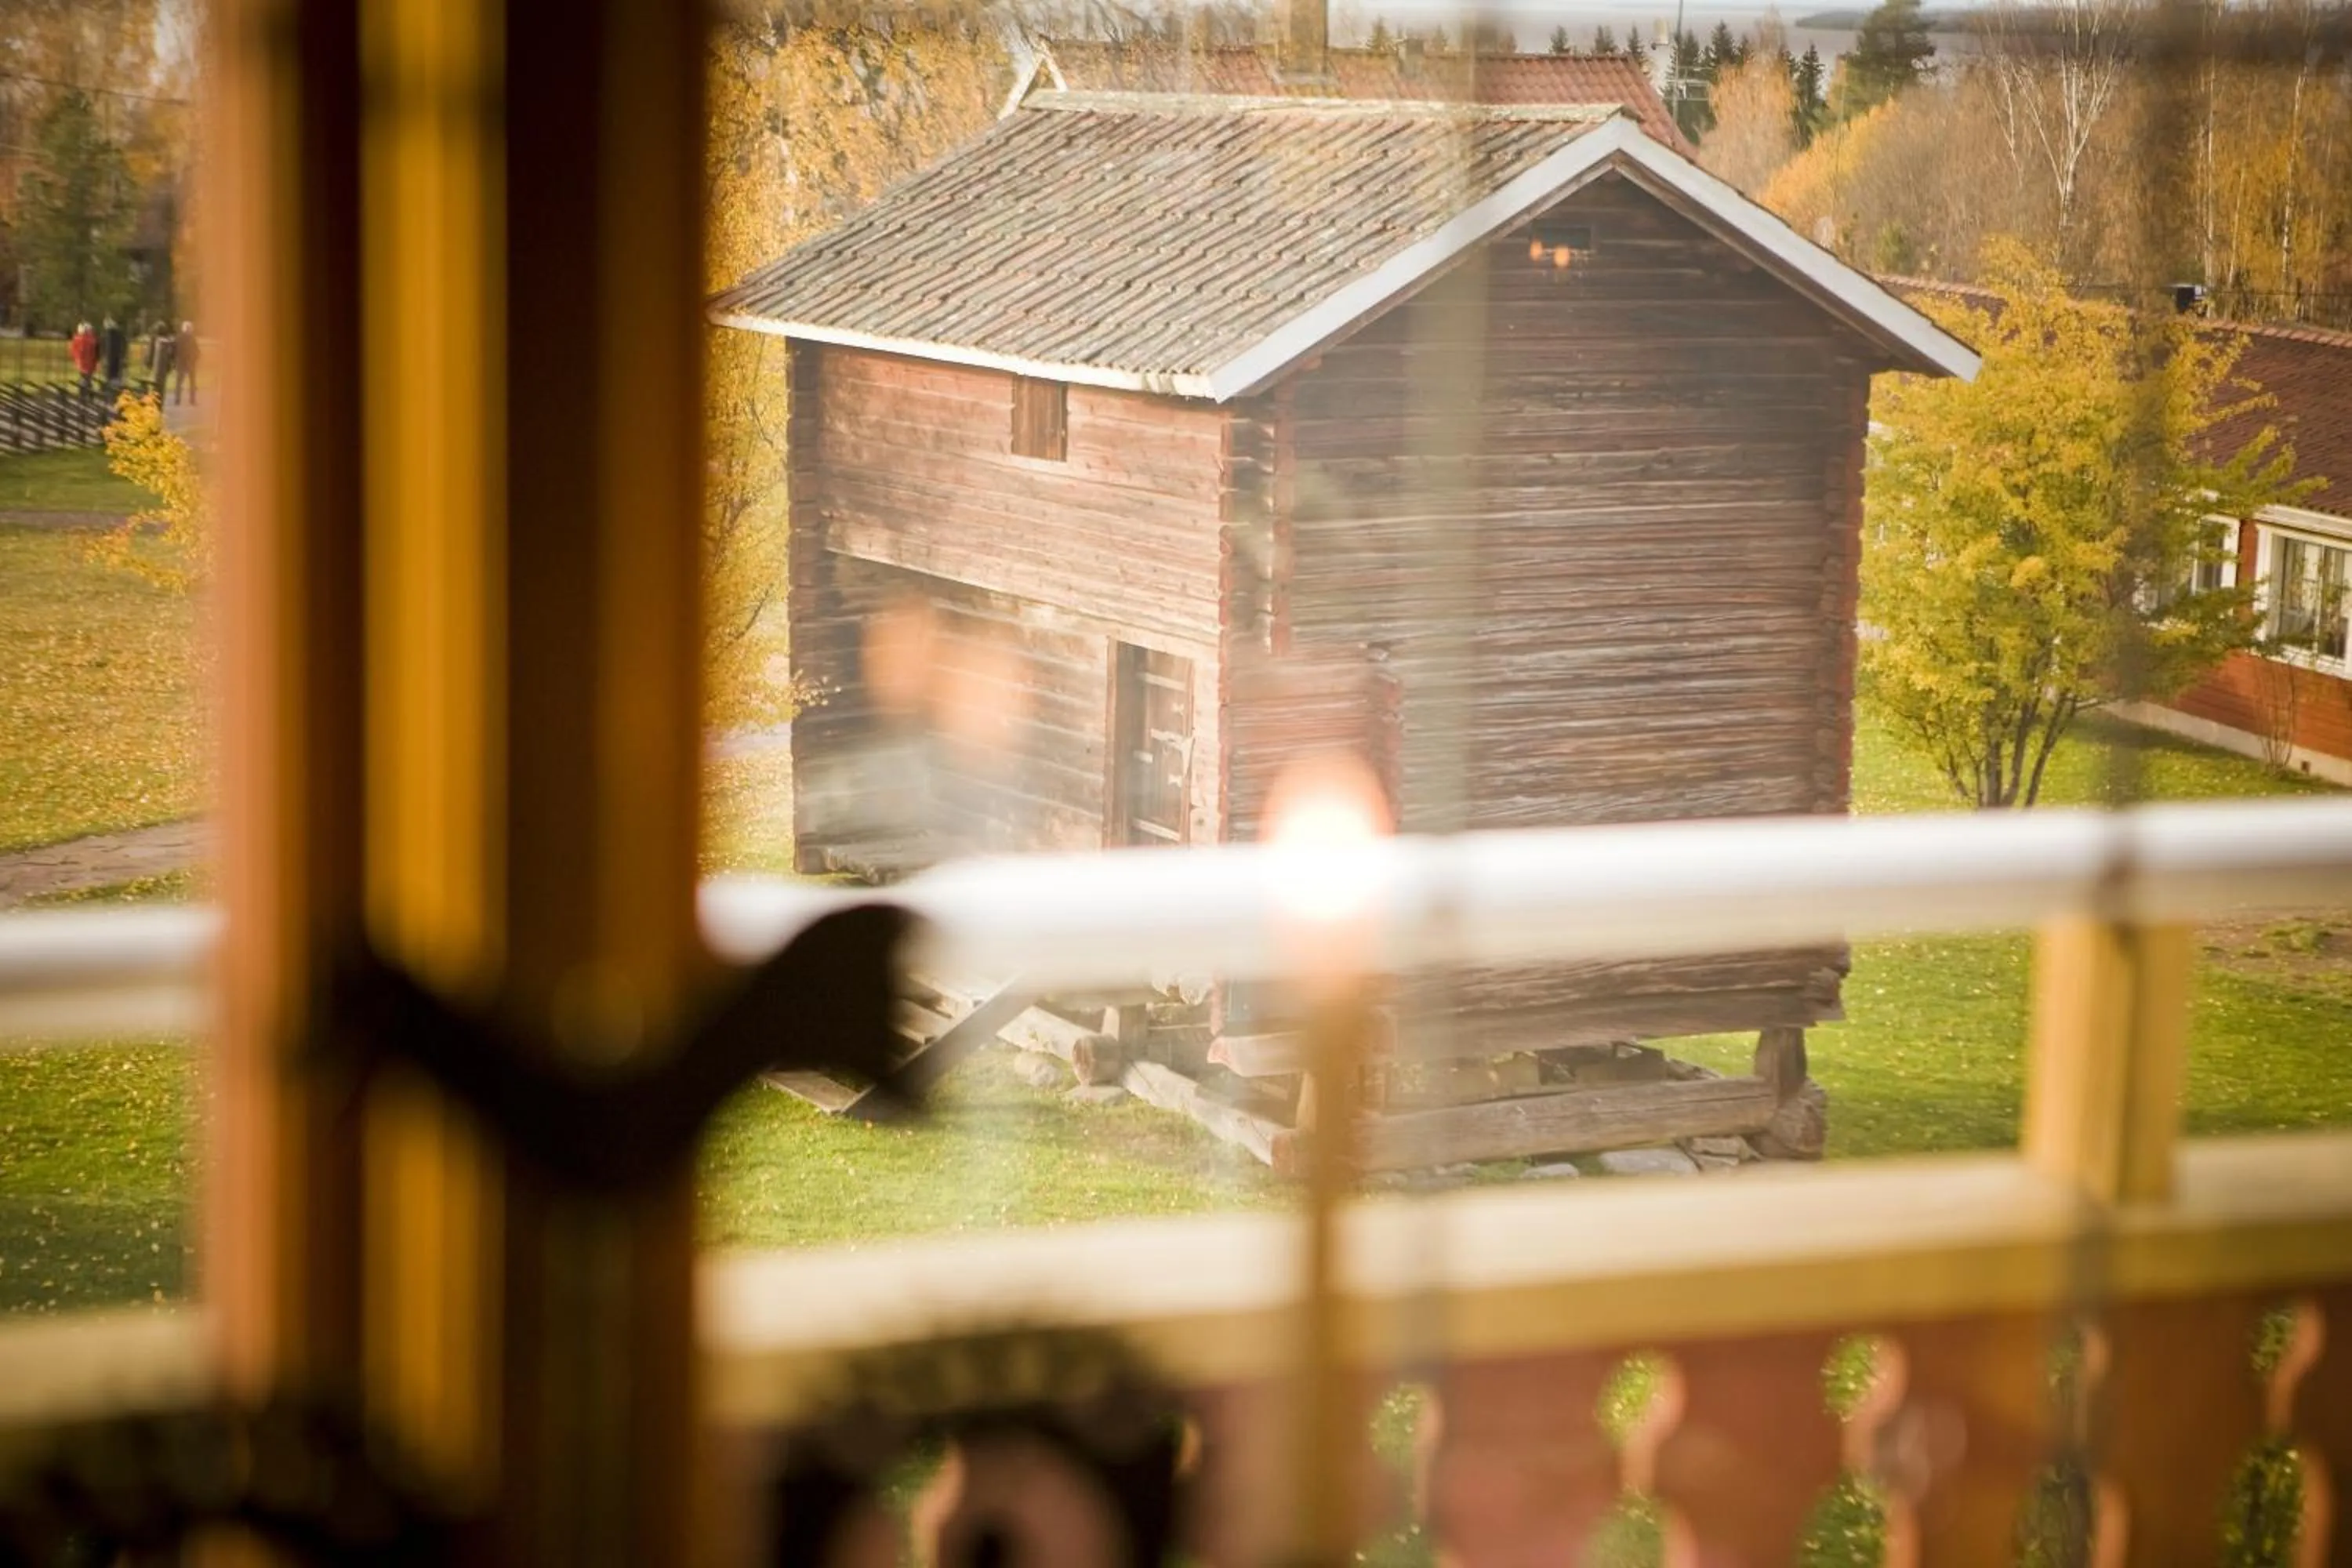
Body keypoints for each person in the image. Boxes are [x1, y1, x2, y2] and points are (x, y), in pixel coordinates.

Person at [172, 321, 198, 405]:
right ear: (183, 329)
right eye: (187, 328)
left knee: (191, 383)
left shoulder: (192, 338)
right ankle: (177, 399)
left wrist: (195, 358)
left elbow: (196, 350)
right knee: (180, 382)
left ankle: (192, 400)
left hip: (189, 362)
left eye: (190, 328)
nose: (188, 330)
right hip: (182, 362)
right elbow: (174, 350)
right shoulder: (179, 338)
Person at [69, 321, 98, 398]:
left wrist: (76, 359)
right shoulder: (91, 340)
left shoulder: (77, 339)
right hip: (89, 363)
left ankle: (86, 393)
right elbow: (95, 352)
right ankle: (88, 393)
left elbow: (73, 351)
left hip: (81, 362)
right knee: (87, 379)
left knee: (85, 378)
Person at [100, 317, 128, 393]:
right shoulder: (120, 335)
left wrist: (102, 359)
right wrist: (124, 358)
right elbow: (124, 347)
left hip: (108, 361)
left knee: (108, 378)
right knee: (117, 379)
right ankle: (116, 392)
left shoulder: (104, 336)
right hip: (118, 361)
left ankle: (109, 392)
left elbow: (102, 349)